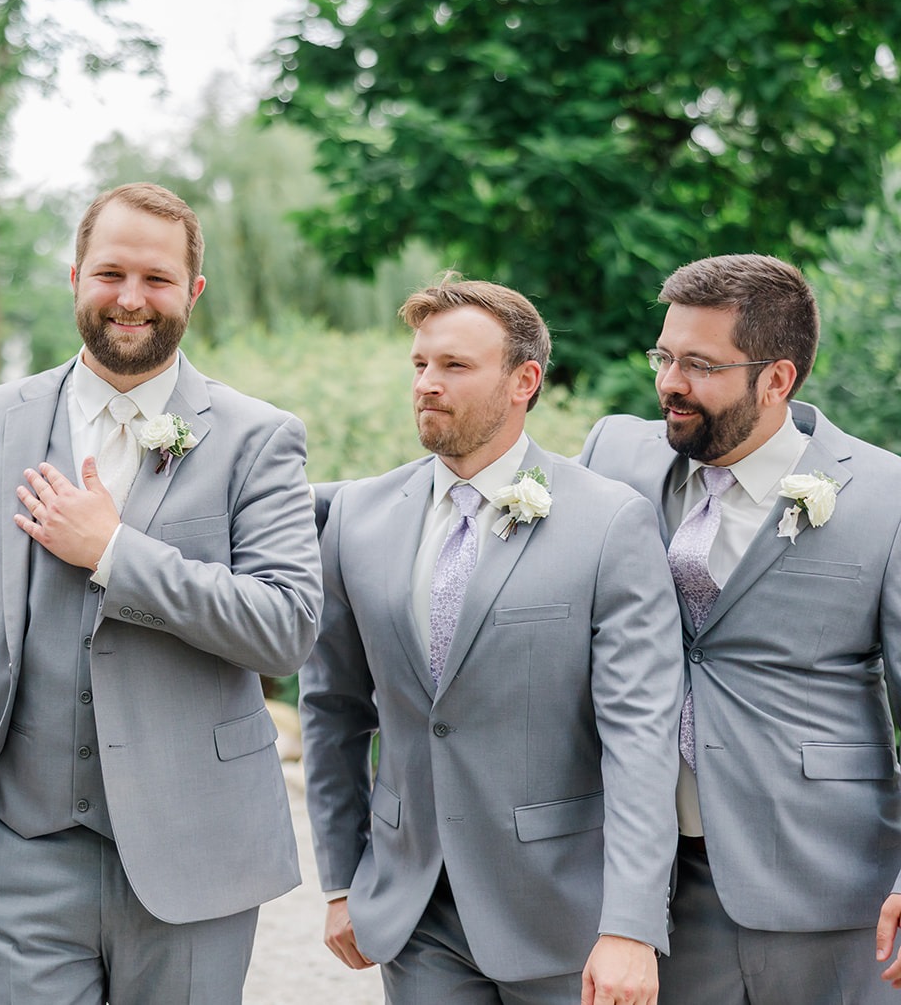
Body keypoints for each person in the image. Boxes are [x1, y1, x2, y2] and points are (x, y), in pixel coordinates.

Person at [0, 182, 323, 1003]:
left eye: (157, 278)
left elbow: (287, 626)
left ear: (194, 291)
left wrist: (116, 554)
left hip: (197, 856)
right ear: (75, 277)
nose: (131, 298)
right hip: (15, 854)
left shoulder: (258, 437)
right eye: (110, 273)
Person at [301, 277, 683, 1005]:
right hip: (416, 914)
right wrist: (342, 879)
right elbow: (331, 710)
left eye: (455, 366)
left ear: (524, 381)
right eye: (420, 364)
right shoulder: (356, 518)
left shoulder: (609, 522)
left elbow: (640, 736)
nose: (427, 383)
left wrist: (630, 925)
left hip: (563, 914)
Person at [580, 253, 901, 1004]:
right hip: (657, 884)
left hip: (832, 884)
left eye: (699, 365)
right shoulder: (615, 453)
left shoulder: (887, 496)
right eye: (663, 356)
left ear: (777, 379)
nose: (669, 382)